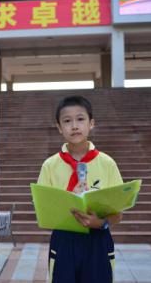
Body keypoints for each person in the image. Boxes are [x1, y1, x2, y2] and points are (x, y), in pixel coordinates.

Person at [37, 95, 123, 283]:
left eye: (80, 119)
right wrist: (69, 201)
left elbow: (118, 214)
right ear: (59, 127)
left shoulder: (107, 163)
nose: (74, 126)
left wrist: (99, 223)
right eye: (67, 121)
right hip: (64, 242)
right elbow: (44, 213)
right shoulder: (50, 166)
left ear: (91, 123)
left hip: (98, 240)